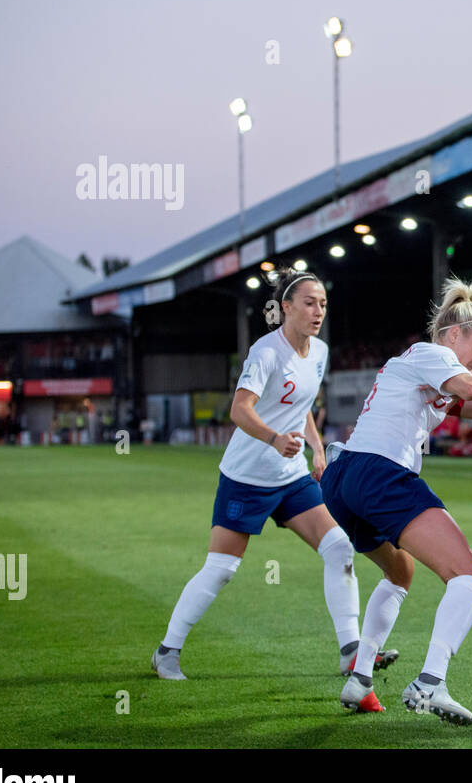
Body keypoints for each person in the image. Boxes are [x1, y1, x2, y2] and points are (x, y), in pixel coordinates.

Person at [325, 279, 472, 722]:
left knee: (399, 570)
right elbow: (471, 385)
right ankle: (430, 683)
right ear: (452, 336)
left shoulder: (431, 375)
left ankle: (360, 678)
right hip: (378, 472)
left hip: (342, 481)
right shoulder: (432, 355)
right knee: (471, 577)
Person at [151, 269, 366, 684]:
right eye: (308, 302)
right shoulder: (265, 352)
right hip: (247, 477)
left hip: (291, 477)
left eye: (322, 302)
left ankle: (351, 652)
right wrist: (272, 439)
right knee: (222, 568)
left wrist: (316, 447)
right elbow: (239, 409)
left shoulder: (319, 352)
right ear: (285, 308)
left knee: (340, 549)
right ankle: (167, 652)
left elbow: (299, 404)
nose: (318, 310)